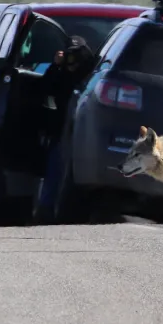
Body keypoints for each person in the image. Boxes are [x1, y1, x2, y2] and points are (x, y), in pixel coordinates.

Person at [34, 35, 96, 221]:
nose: (72, 60)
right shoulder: (62, 75)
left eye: (75, 56)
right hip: (62, 129)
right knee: (55, 168)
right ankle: (46, 209)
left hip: (86, 131)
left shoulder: (90, 74)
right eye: (69, 55)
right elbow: (45, 88)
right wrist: (56, 66)